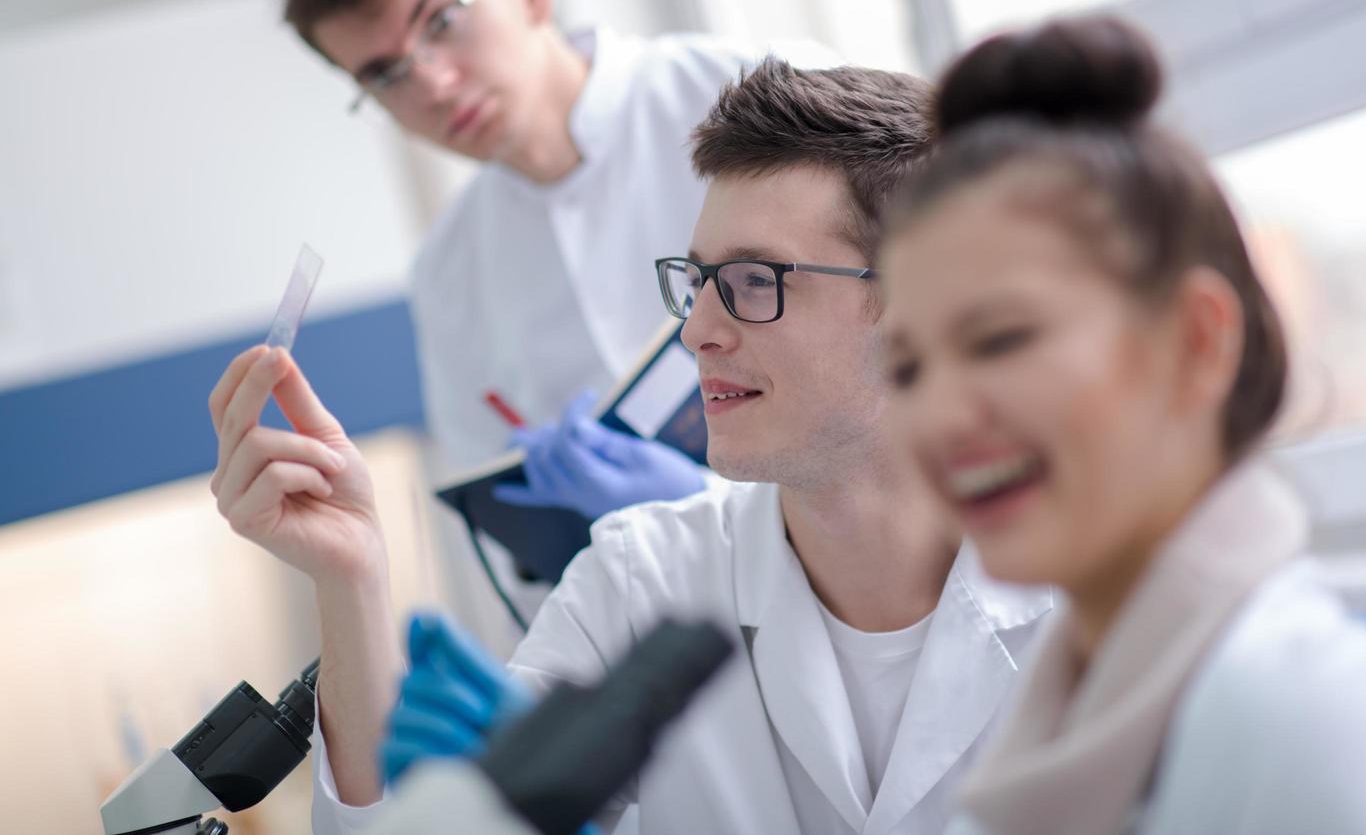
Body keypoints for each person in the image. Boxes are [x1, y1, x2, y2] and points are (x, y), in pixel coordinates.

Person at [206, 59, 1052, 834]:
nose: (700, 334)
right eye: (696, 283)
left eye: (755, 282)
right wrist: (351, 576)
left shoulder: (1095, 591)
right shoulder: (638, 582)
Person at [876, 16, 1366, 835]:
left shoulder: (1313, 725)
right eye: (906, 368)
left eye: (1001, 339)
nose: (940, 413)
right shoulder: (1061, 724)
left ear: (1197, 342)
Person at [276, 0, 834, 613]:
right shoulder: (450, 274)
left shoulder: (764, 94)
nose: (431, 84)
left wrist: (713, 506)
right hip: (679, 662)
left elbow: (919, 354)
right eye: (384, 75)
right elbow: (515, 555)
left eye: (441, 21)